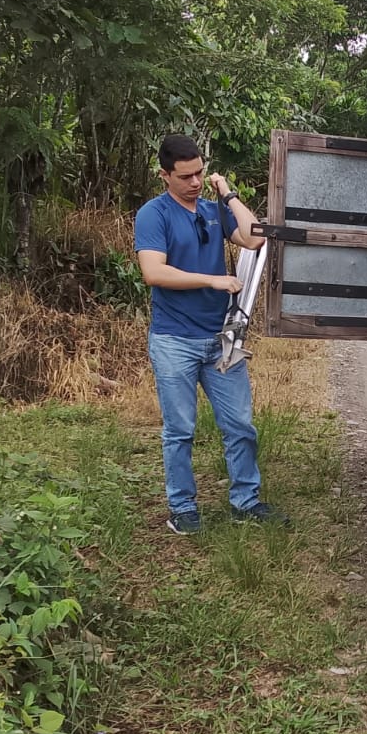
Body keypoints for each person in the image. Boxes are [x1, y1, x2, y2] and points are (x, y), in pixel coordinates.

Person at [135, 134, 284, 533]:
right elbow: (153, 272)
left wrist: (228, 194)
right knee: (180, 430)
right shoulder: (154, 214)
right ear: (165, 175)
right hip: (175, 341)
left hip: (221, 339)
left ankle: (246, 502)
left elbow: (255, 237)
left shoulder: (211, 209)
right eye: (186, 176)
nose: (196, 182)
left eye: (200, 173)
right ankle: (182, 509)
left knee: (240, 426)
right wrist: (212, 280)